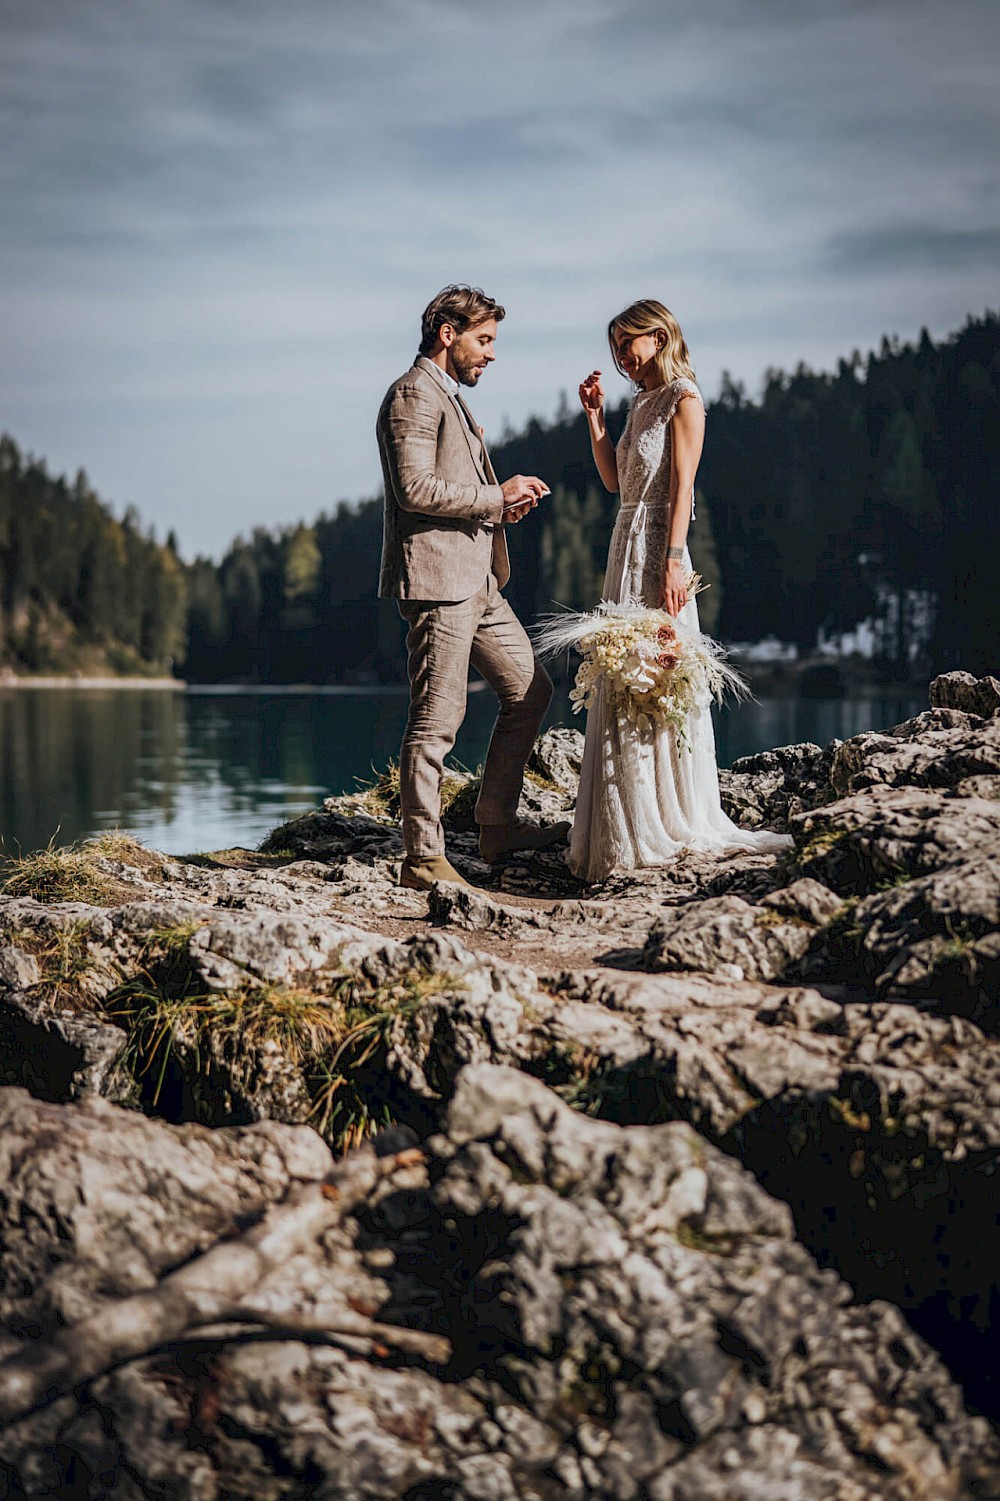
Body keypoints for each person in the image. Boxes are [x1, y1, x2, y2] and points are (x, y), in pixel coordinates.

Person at [570, 298, 791, 881]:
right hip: (625, 542)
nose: (620, 356)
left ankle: (669, 815)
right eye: (614, 346)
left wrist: (672, 561)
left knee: (660, 674)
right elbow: (617, 481)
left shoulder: (683, 398)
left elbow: (684, 487)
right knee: (623, 676)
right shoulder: (639, 401)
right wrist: (594, 417)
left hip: (660, 547)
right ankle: (620, 822)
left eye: (628, 343)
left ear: (660, 335)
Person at [377, 284, 570, 891]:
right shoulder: (413, 394)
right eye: (483, 340)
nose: (490, 353)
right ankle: (422, 858)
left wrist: (497, 513)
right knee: (437, 718)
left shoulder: (447, 397)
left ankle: (496, 824)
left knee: (530, 690)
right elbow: (415, 490)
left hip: (478, 578)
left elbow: (448, 493)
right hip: (439, 581)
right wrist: (497, 494)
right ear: (446, 334)